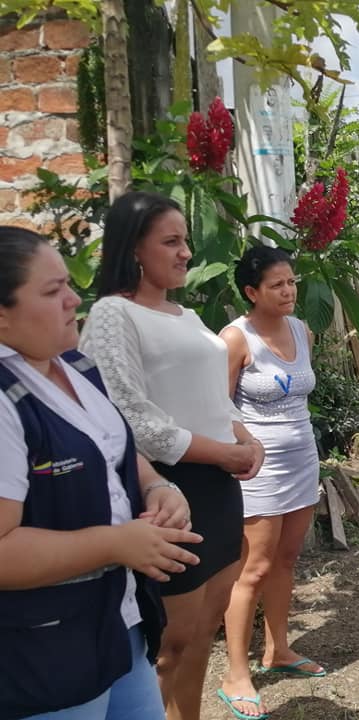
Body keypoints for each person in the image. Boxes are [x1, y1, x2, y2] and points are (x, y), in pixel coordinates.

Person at [0, 226, 201, 719]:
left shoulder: (75, 366)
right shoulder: (6, 399)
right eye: (53, 291)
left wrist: (157, 485)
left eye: (68, 284)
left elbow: (109, 449)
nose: (73, 299)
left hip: (116, 621)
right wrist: (113, 544)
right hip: (44, 652)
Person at [78, 192, 265, 720]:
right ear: (134, 248)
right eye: (171, 241)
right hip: (168, 490)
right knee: (168, 644)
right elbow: (129, 417)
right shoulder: (114, 314)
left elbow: (213, 396)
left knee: (204, 630)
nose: (186, 252)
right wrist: (224, 452)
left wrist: (246, 438)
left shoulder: (186, 315)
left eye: (185, 240)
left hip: (219, 487)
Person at [218, 246, 323, 720]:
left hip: (302, 458)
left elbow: (301, 394)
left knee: (286, 558)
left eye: (291, 282)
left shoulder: (301, 330)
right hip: (258, 468)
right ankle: (235, 674)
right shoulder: (234, 338)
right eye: (277, 285)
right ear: (251, 291)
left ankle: (278, 650)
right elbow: (218, 406)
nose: (288, 291)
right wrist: (244, 447)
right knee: (253, 569)